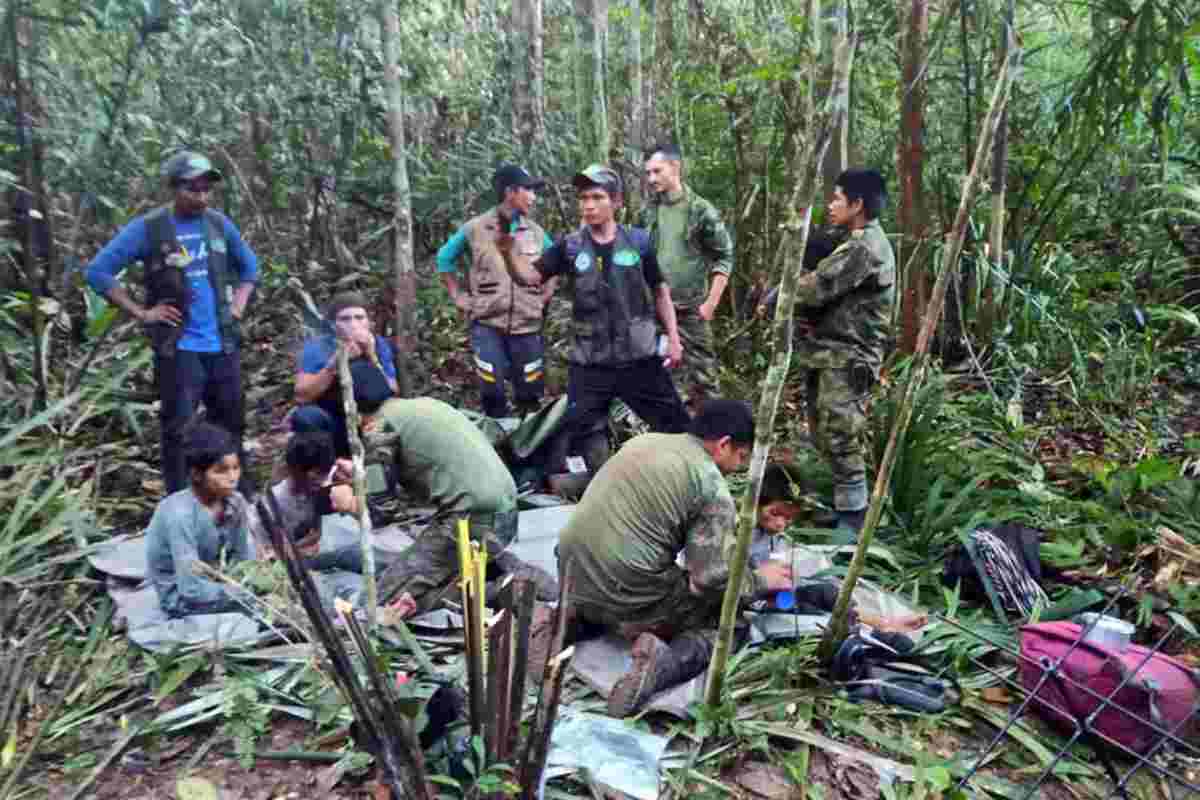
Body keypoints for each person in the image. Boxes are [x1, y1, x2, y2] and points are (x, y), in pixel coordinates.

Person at [557, 399, 794, 717]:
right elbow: (709, 579)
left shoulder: (644, 442)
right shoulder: (710, 485)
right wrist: (760, 580)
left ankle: (567, 621)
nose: (737, 467)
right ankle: (661, 666)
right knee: (729, 625)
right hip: (626, 589)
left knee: (622, 579)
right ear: (723, 444)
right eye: (740, 456)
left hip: (570, 572)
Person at [497, 164, 691, 473]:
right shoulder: (570, 246)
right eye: (583, 198)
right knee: (583, 430)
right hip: (590, 361)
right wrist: (508, 254)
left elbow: (659, 291)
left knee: (677, 425)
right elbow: (530, 277)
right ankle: (602, 483)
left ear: (616, 202)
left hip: (638, 357)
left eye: (597, 197)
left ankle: (685, 480)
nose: (588, 205)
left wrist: (674, 340)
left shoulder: (639, 242)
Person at [86, 151, 258, 495]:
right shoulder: (150, 229)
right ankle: (180, 500)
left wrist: (237, 306)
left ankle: (238, 495)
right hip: (179, 347)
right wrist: (141, 312)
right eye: (192, 189)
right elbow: (98, 271)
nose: (201, 196)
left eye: (206, 189)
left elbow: (250, 268)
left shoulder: (218, 225)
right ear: (174, 188)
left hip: (222, 342)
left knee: (231, 422)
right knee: (179, 428)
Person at [367, 397, 558, 619]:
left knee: (385, 600)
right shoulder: (420, 406)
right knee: (434, 567)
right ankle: (502, 568)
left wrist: (354, 496)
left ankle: (500, 590)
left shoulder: (379, 427)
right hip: (502, 513)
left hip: (471, 520)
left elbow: (381, 510)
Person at [792, 169, 895, 537]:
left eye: (837, 199)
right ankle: (843, 506)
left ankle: (854, 522)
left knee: (841, 433)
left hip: (849, 357)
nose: (830, 205)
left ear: (858, 204)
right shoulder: (851, 240)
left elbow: (816, 287)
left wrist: (781, 292)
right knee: (824, 432)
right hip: (830, 352)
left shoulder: (864, 248)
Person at [437, 164, 557, 418]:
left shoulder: (535, 232)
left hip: (527, 326)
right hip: (487, 323)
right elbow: (444, 259)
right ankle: (497, 439)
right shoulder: (475, 229)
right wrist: (457, 296)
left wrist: (545, 294)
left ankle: (528, 443)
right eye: (529, 191)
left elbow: (554, 264)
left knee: (531, 390)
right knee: (491, 388)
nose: (534, 197)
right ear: (510, 192)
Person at [642, 144, 734, 411]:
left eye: (657, 171)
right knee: (659, 381)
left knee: (704, 381)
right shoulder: (648, 211)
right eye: (648, 173)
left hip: (691, 312)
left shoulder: (700, 210)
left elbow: (724, 256)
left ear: (675, 167)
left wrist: (711, 304)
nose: (651, 179)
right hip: (655, 312)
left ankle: (716, 441)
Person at [145, 422, 254, 617]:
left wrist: (250, 581)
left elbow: (244, 557)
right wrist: (241, 592)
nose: (232, 477)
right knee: (259, 613)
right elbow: (190, 589)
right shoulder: (180, 515)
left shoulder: (236, 501)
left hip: (222, 582)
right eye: (221, 471)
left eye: (236, 468)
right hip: (181, 597)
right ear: (196, 475)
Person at [293, 292, 398, 457]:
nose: (353, 323)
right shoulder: (318, 347)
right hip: (333, 417)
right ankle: (324, 469)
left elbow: (392, 389)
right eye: (345, 319)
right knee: (306, 417)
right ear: (334, 325)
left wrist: (372, 356)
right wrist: (334, 364)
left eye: (359, 317)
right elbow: (302, 396)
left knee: (362, 372)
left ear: (369, 323)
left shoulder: (378, 344)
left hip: (370, 418)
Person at [247, 432, 357, 556]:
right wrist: (298, 551)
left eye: (324, 473)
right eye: (316, 474)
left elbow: (316, 535)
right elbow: (264, 555)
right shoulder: (273, 503)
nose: (321, 481)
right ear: (293, 469)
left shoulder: (319, 489)